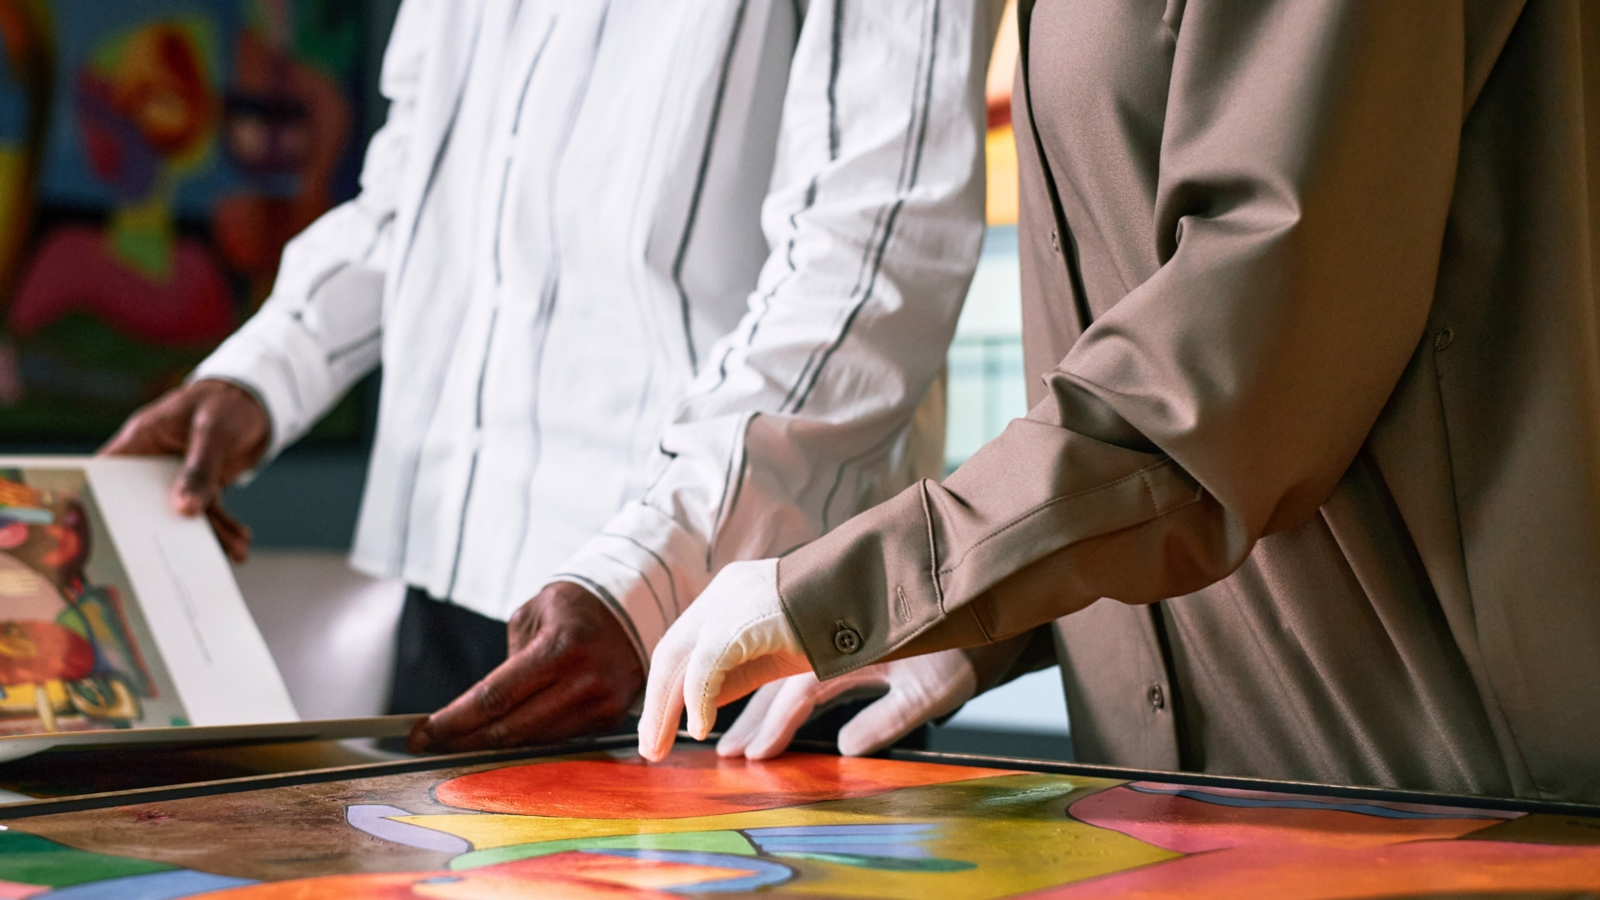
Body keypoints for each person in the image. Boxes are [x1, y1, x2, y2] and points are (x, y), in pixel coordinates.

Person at [641, 0, 1600, 804]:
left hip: (1433, 800)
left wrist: (868, 587)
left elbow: (1240, 375)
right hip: (1187, 812)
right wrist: (983, 627)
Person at [104, 0, 1006, 753]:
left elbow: (880, 243)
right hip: (457, 594)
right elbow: (414, 186)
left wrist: (650, 575)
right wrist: (259, 376)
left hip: (735, 633)